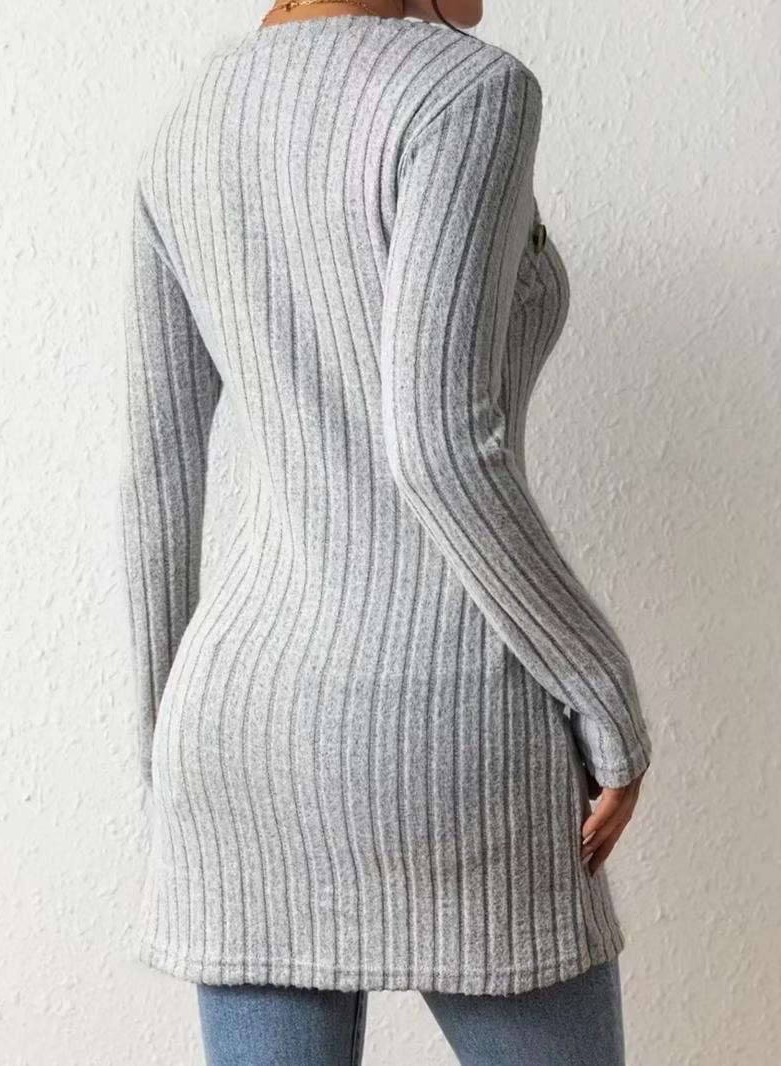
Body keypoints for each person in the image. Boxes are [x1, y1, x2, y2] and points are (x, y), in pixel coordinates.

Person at [118, 0, 653, 1062]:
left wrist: (159, 757)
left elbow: (154, 476)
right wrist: (604, 701)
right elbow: (438, 445)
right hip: (448, 721)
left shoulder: (185, 125)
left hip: (235, 734)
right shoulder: (465, 93)